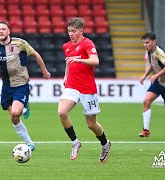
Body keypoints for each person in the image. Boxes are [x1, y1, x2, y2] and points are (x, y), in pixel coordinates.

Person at [57, 17, 111, 163]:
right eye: (69, 31)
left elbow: (95, 61)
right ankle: (75, 142)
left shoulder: (87, 43)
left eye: (74, 31)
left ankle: (105, 144)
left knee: (91, 124)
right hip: (72, 86)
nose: (71, 34)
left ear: (81, 30)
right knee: (62, 112)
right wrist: (65, 76)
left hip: (87, 88)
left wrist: (79, 59)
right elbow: (68, 63)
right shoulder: (66, 46)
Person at [0, 21, 51, 151]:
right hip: (6, 86)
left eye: (3, 29)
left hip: (21, 84)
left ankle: (25, 104)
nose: (1, 31)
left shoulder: (20, 43)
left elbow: (35, 54)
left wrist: (44, 71)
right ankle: (29, 143)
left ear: (8, 31)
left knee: (16, 111)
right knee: (13, 117)